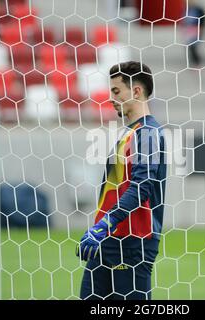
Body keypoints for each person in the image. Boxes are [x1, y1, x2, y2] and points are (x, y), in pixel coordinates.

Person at [76, 61, 167, 300]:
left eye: (116, 91)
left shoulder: (148, 133)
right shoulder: (131, 132)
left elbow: (141, 186)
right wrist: (101, 227)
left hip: (132, 241)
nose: (110, 98)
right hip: (108, 239)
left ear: (136, 91)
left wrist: (106, 223)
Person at [182, 0, 205, 67]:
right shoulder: (185, 9)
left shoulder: (199, 9)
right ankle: (195, 63)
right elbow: (183, 19)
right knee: (189, 46)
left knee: (193, 46)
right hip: (188, 30)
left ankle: (198, 63)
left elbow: (203, 20)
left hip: (196, 30)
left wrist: (201, 29)